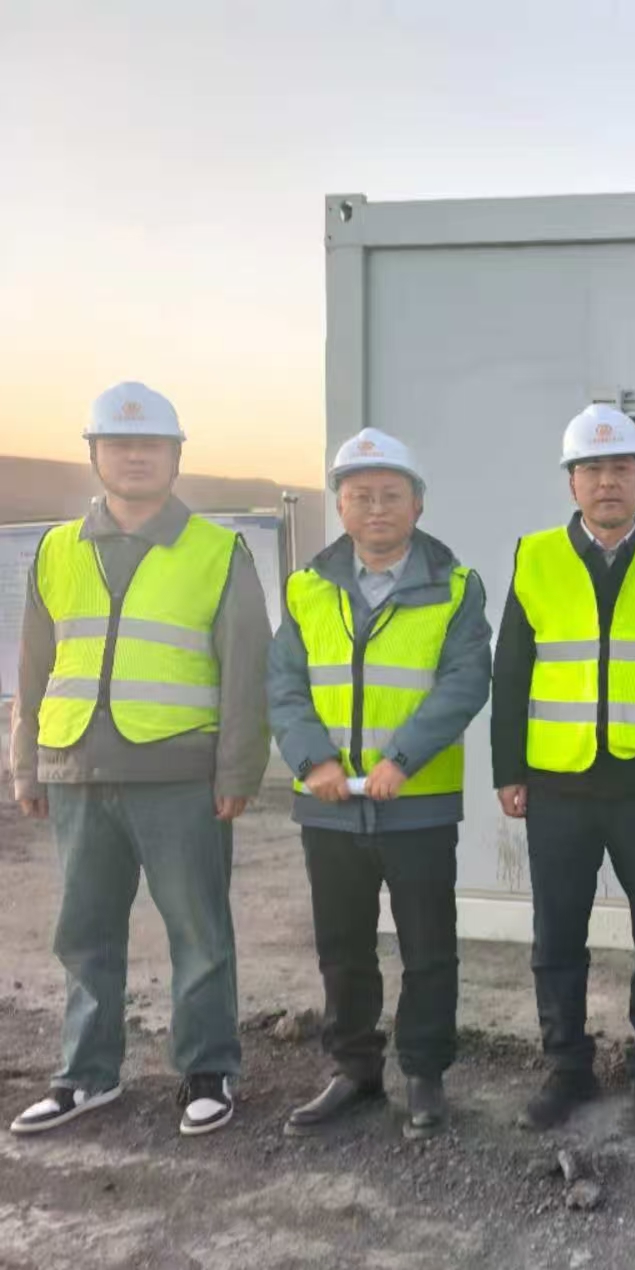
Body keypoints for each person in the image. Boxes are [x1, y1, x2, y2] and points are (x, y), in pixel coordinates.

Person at [9, 382, 271, 1137]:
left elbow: (246, 668)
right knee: (84, 933)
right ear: (94, 454)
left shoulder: (217, 551)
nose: (134, 457)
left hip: (180, 777)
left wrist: (237, 771)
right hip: (77, 772)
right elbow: (33, 666)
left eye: (150, 445)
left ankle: (208, 1071)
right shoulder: (57, 550)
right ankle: (85, 1075)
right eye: (118, 444)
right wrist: (26, 763)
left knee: (198, 931)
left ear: (175, 458)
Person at [491, 404, 635, 1138]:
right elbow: (511, 669)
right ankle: (567, 1068)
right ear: (571, 482)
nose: (606, 482)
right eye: (591, 469)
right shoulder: (535, 557)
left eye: (621, 468)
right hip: (557, 781)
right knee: (556, 934)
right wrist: (508, 768)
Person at [269, 427, 491, 1140]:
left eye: (390, 495)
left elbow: (465, 682)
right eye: (360, 495)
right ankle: (354, 1068)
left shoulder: (455, 586)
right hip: (329, 807)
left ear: (417, 504)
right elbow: (284, 686)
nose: (375, 508)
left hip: (416, 805)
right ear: (339, 505)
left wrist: (402, 759)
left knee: (429, 949)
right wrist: (314, 762)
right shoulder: (306, 589)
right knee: (343, 946)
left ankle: (424, 1073)